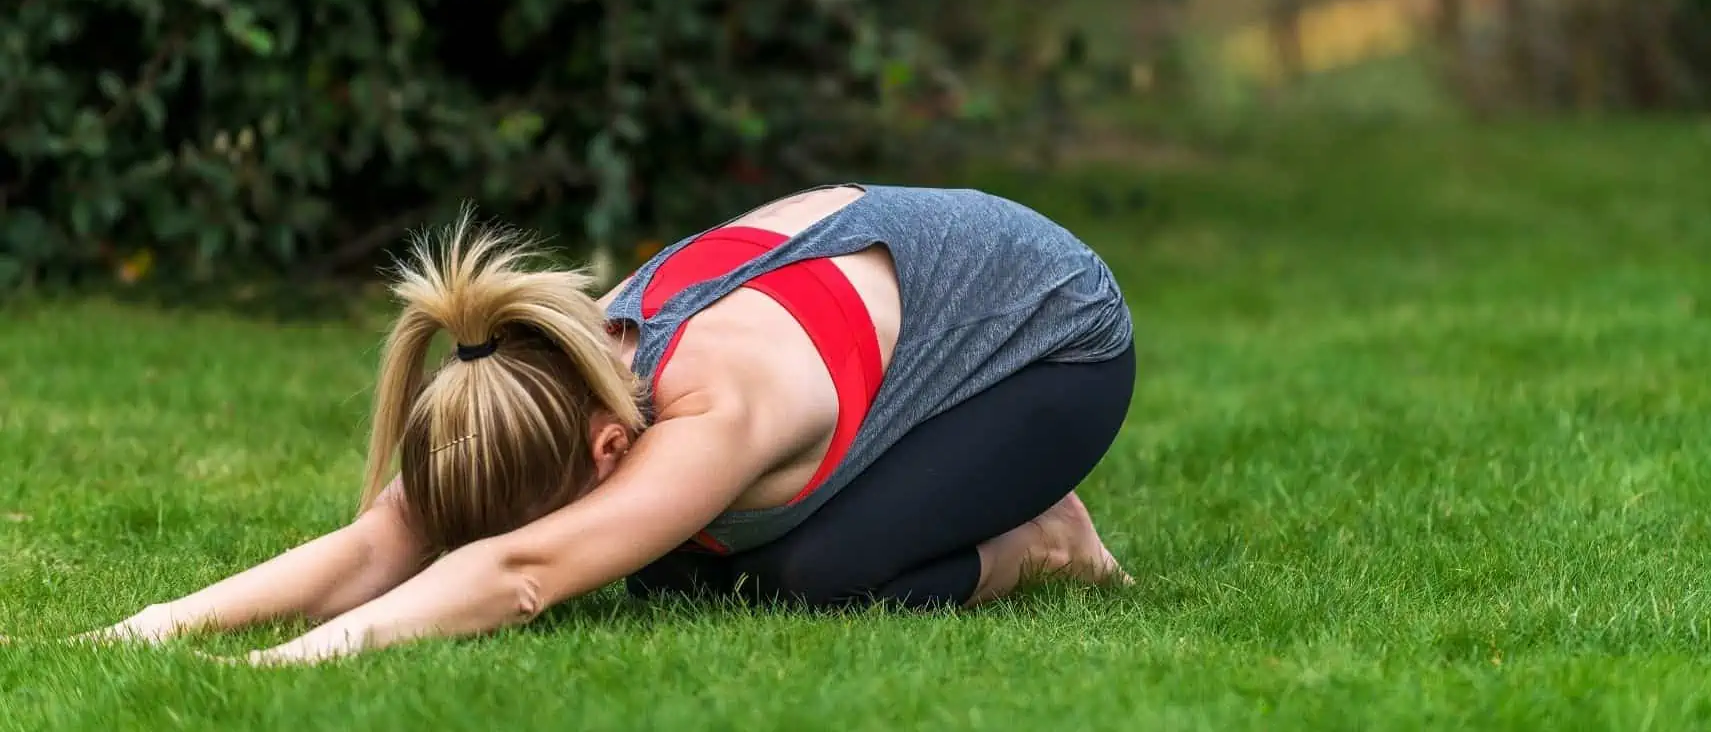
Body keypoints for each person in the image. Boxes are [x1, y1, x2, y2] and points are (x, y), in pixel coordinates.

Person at [79, 183, 1138, 663]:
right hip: (896, 305)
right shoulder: (534, 376)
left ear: (607, 446)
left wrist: (287, 669)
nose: (492, 543)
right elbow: (381, 542)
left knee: (822, 576)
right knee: (673, 572)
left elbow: (526, 575)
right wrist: (151, 630)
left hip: (1043, 342)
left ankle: (1042, 538)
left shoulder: (712, 400)